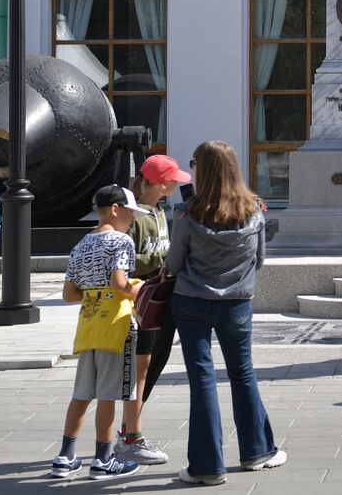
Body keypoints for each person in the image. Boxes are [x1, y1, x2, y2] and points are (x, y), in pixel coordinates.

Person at [167, 140, 286, 485]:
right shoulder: (255, 210)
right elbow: (259, 260)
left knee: (202, 379)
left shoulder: (187, 213)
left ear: (202, 170)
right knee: (242, 372)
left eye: (194, 164)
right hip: (236, 302)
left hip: (192, 300)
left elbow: (174, 263)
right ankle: (257, 452)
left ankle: (207, 467)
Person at [49, 185, 149, 480]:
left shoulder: (81, 244)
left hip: (88, 325)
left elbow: (69, 294)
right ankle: (103, 459)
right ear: (115, 210)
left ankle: (65, 457)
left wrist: (95, 293)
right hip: (116, 326)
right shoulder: (121, 241)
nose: (132, 220)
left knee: (81, 394)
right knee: (109, 394)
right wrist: (140, 290)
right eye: (130, 214)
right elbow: (119, 283)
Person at [117, 154, 187, 465]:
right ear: (161, 184)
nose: (176, 185)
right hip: (141, 300)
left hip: (160, 298)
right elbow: (123, 261)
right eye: (173, 180)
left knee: (154, 363)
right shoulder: (134, 216)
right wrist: (163, 261)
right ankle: (130, 436)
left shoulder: (160, 212)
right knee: (140, 369)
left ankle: (129, 431)